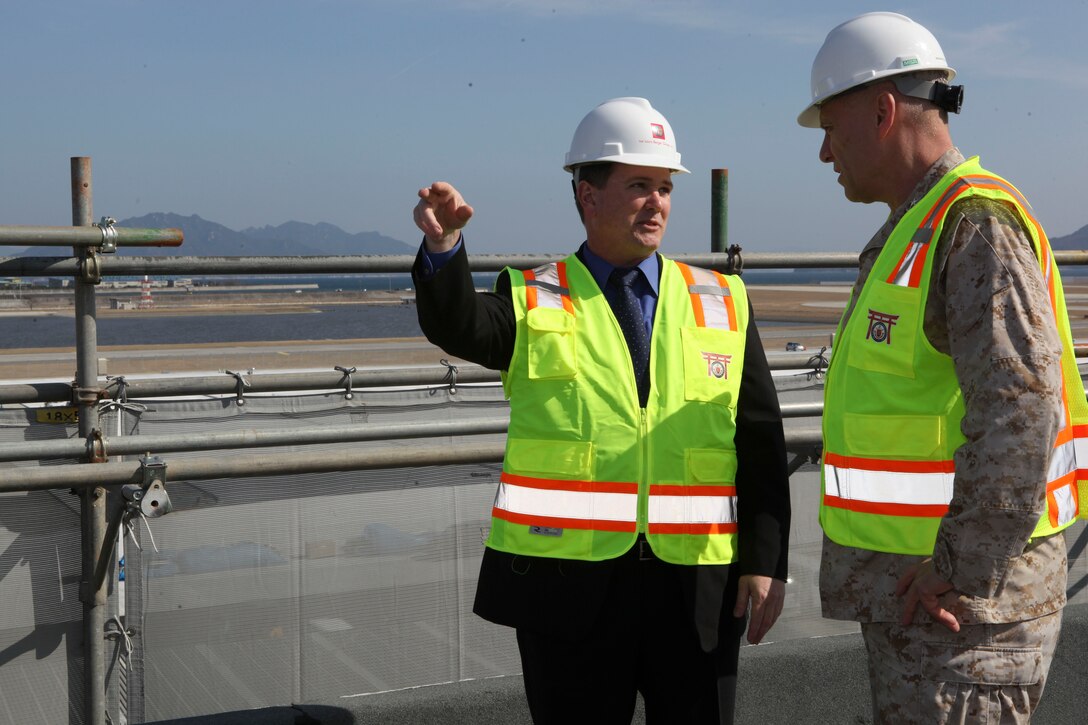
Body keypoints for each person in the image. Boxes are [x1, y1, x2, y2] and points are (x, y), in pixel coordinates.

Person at [410, 97, 791, 724]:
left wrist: (764, 561)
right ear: (587, 195)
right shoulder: (534, 294)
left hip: (696, 588)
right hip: (568, 592)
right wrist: (445, 244)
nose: (657, 203)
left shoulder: (722, 299)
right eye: (638, 185)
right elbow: (460, 326)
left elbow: (759, 440)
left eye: (665, 188)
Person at [798, 12, 1088, 723]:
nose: (825, 153)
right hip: (936, 613)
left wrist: (961, 568)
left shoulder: (974, 223)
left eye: (831, 128)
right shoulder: (920, 225)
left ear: (882, 109)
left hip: (964, 621)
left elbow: (1019, 410)